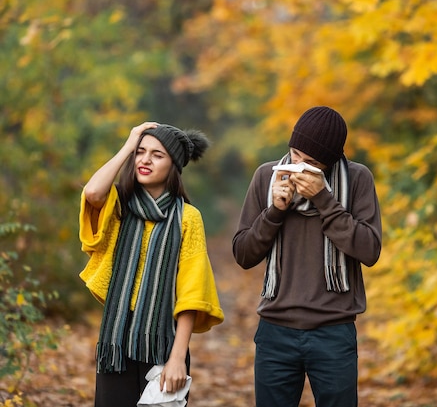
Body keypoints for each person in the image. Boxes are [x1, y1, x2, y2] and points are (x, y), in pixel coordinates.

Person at [232, 106, 382, 407]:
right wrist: (274, 210)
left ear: (330, 162)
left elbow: (369, 250)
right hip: (275, 332)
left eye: (311, 163)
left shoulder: (357, 179)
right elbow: (244, 254)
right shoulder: (267, 176)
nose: (298, 166)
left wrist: (324, 198)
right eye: (295, 154)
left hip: (334, 333)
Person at [78, 122, 224, 407]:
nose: (145, 160)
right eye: (141, 152)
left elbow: (191, 294)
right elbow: (93, 193)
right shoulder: (118, 204)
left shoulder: (188, 218)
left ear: (174, 165)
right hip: (117, 342)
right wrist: (128, 145)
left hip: (165, 340)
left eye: (157, 155)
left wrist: (177, 358)